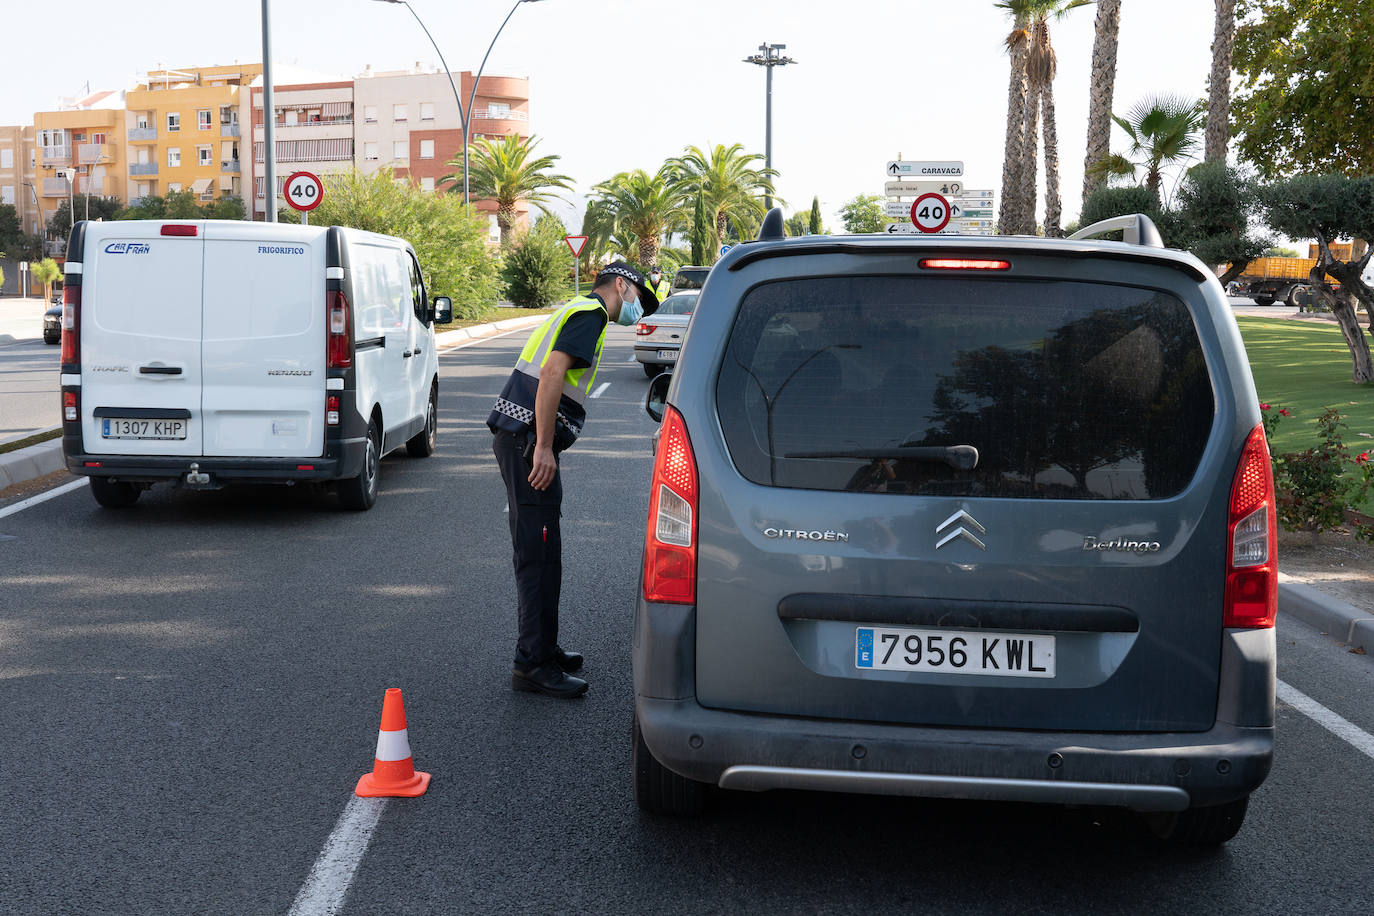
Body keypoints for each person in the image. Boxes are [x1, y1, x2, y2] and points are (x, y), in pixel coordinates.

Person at [488, 262, 659, 697]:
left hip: (522, 439)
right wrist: (543, 446)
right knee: (539, 555)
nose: (638, 307)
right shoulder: (592, 314)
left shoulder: (578, 309)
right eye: (639, 296)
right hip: (528, 443)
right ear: (621, 285)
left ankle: (543, 646)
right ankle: (532, 664)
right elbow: (551, 375)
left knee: (546, 551)